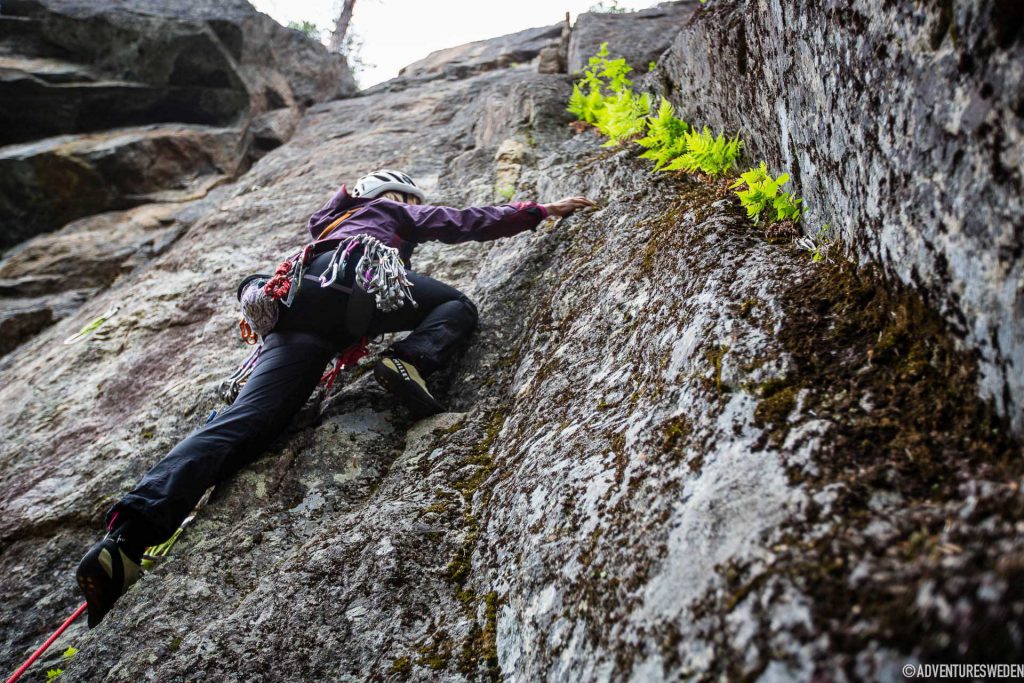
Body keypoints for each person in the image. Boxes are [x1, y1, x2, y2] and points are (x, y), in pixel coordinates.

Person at [75, 169, 596, 627]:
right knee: (455, 305)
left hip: (298, 313)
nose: (412, 209)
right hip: (353, 283)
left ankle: (125, 542)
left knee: (250, 421)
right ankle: (409, 361)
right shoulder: (387, 210)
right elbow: (457, 221)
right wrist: (537, 211)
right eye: (409, 200)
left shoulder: (328, 226)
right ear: (393, 195)